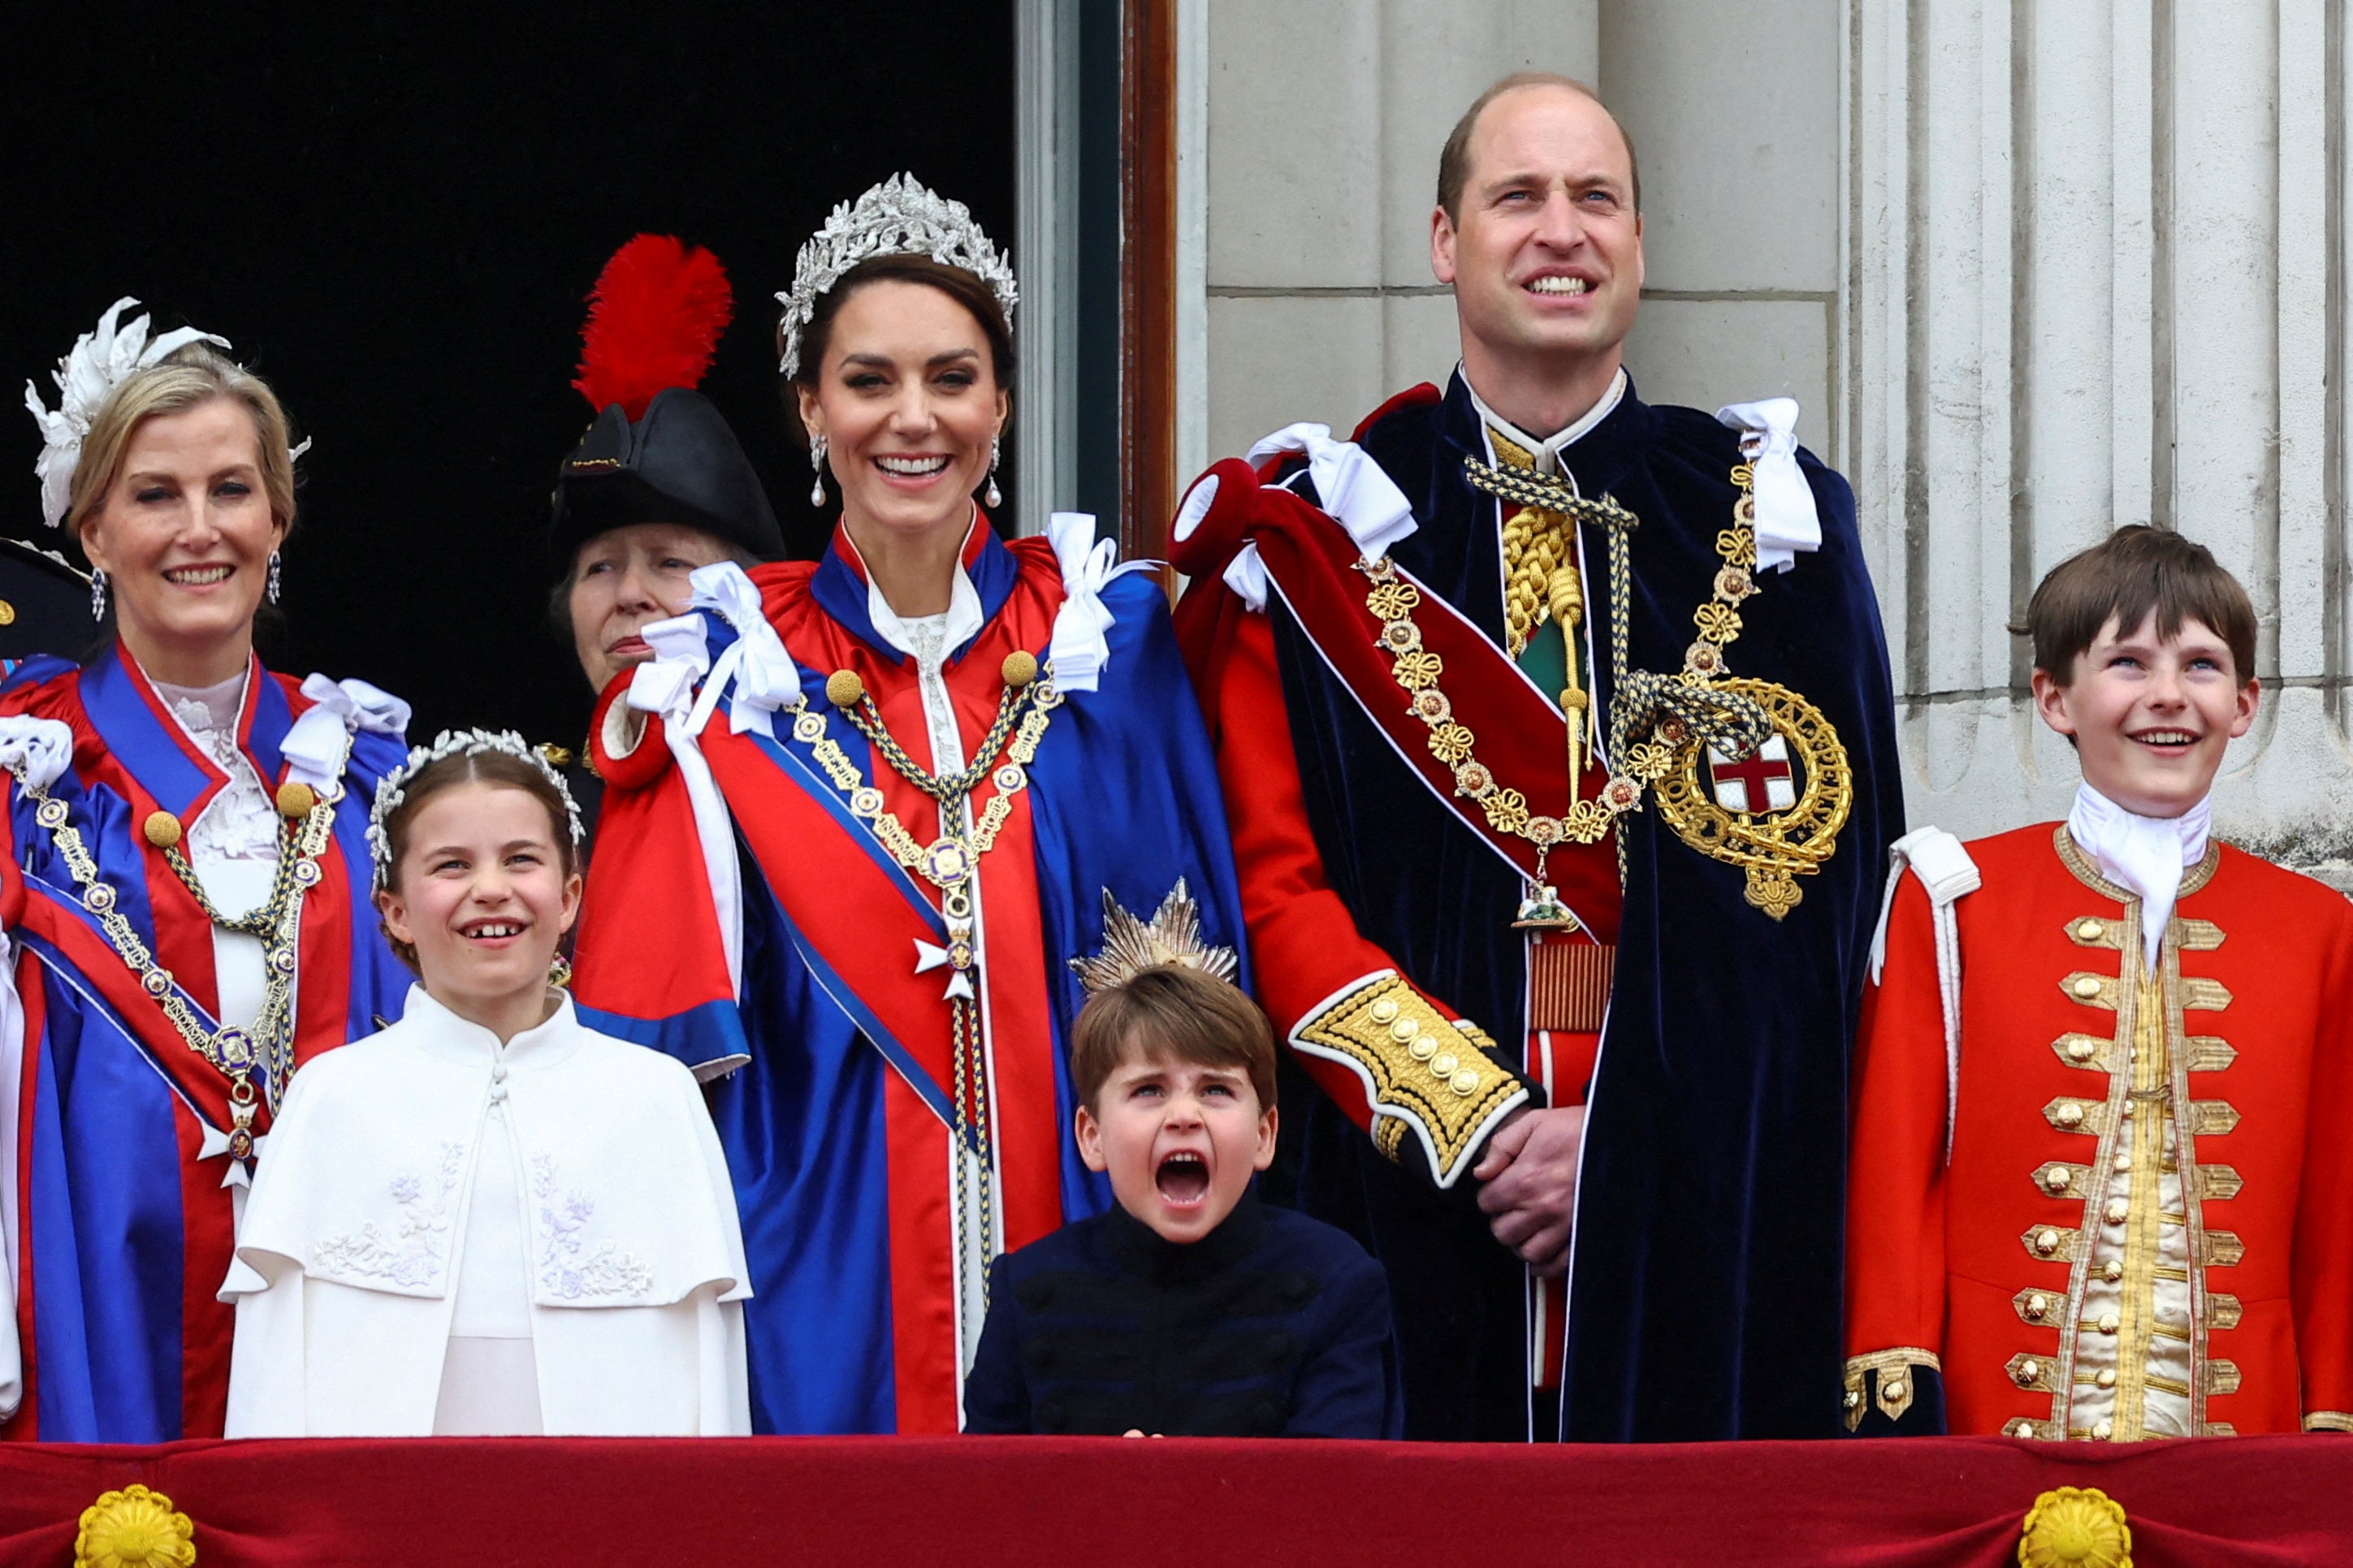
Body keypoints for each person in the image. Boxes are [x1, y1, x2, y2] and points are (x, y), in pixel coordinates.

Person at [1167, 74, 1903, 1441]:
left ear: (1638, 243)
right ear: (1445, 240)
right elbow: (1272, 892)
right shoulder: (1322, 532)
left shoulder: (1778, 526)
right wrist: (1484, 1130)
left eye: (1595, 199)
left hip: (1704, 1214)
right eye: (1517, 197)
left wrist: (1628, 1140)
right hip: (1400, 1211)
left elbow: (1827, 913)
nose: (1559, 231)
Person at [569, 175, 1251, 1435]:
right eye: (870, 380)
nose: (913, 417)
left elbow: (1196, 1009)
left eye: (951, 376)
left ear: (1000, 401)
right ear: (812, 409)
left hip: (1099, 1269)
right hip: (818, 1295)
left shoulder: (1111, 637)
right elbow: (642, 1077)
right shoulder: (722, 672)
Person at [0, 300, 413, 1441]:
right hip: (92, 1289)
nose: (201, 528)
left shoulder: (374, 775)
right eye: (153, 494)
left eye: (232, 488)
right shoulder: (23, 776)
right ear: (89, 530)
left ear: (277, 515)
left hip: (354, 1289)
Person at [1845, 528, 2353, 1441]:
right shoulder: (1949, 896)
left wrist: (2331, 1415)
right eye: (2126, 662)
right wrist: (1891, 1367)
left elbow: (2333, 1211)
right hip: (1990, 1429)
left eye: (2201, 666)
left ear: (2242, 704)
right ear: (2054, 697)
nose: (2168, 695)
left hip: (2245, 1440)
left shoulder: (2321, 929)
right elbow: (1893, 1167)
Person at [221, 731, 750, 1436]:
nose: (491, 888)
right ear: (395, 910)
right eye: (451, 864)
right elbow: (272, 1373)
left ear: (568, 898)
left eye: (520, 859)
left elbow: (708, 1371)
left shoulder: (657, 1097)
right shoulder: (331, 1096)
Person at [962, 953, 1400, 1438]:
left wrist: (1177, 1492)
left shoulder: (1336, 1281)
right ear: (1092, 1137)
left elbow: (1340, 1497)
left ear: (1264, 1135)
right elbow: (981, 1498)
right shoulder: (1026, 1288)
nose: (1184, 1115)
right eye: (1149, 1090)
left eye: (1215, 1090)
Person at [547, 234, 788, 840]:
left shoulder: (810, 794)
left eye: (671, 562)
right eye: (600, 567)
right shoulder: (529, 823)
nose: (630, 593)